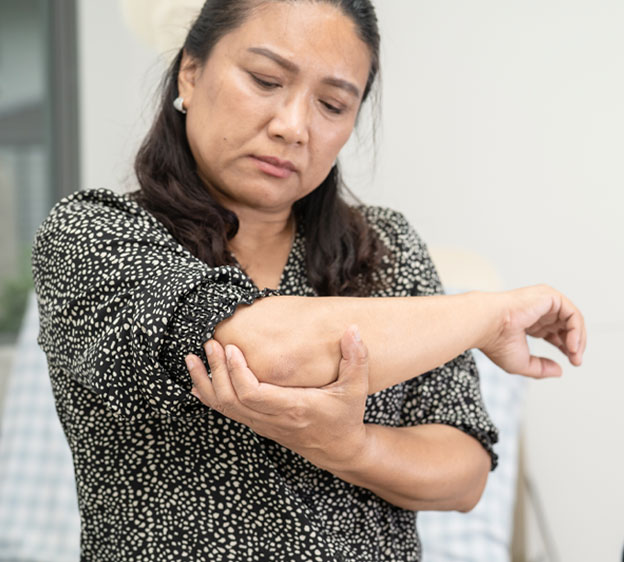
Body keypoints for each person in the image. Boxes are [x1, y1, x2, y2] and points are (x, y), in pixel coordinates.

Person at [32, 1, 586, 560]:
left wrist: (352, 446)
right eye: (265, 80)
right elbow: (268, 352)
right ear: (191, 72)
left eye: (331, 104)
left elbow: (464, 477)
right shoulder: (95, 231)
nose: (293, 127)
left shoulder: (383, 247)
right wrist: (487, 315)